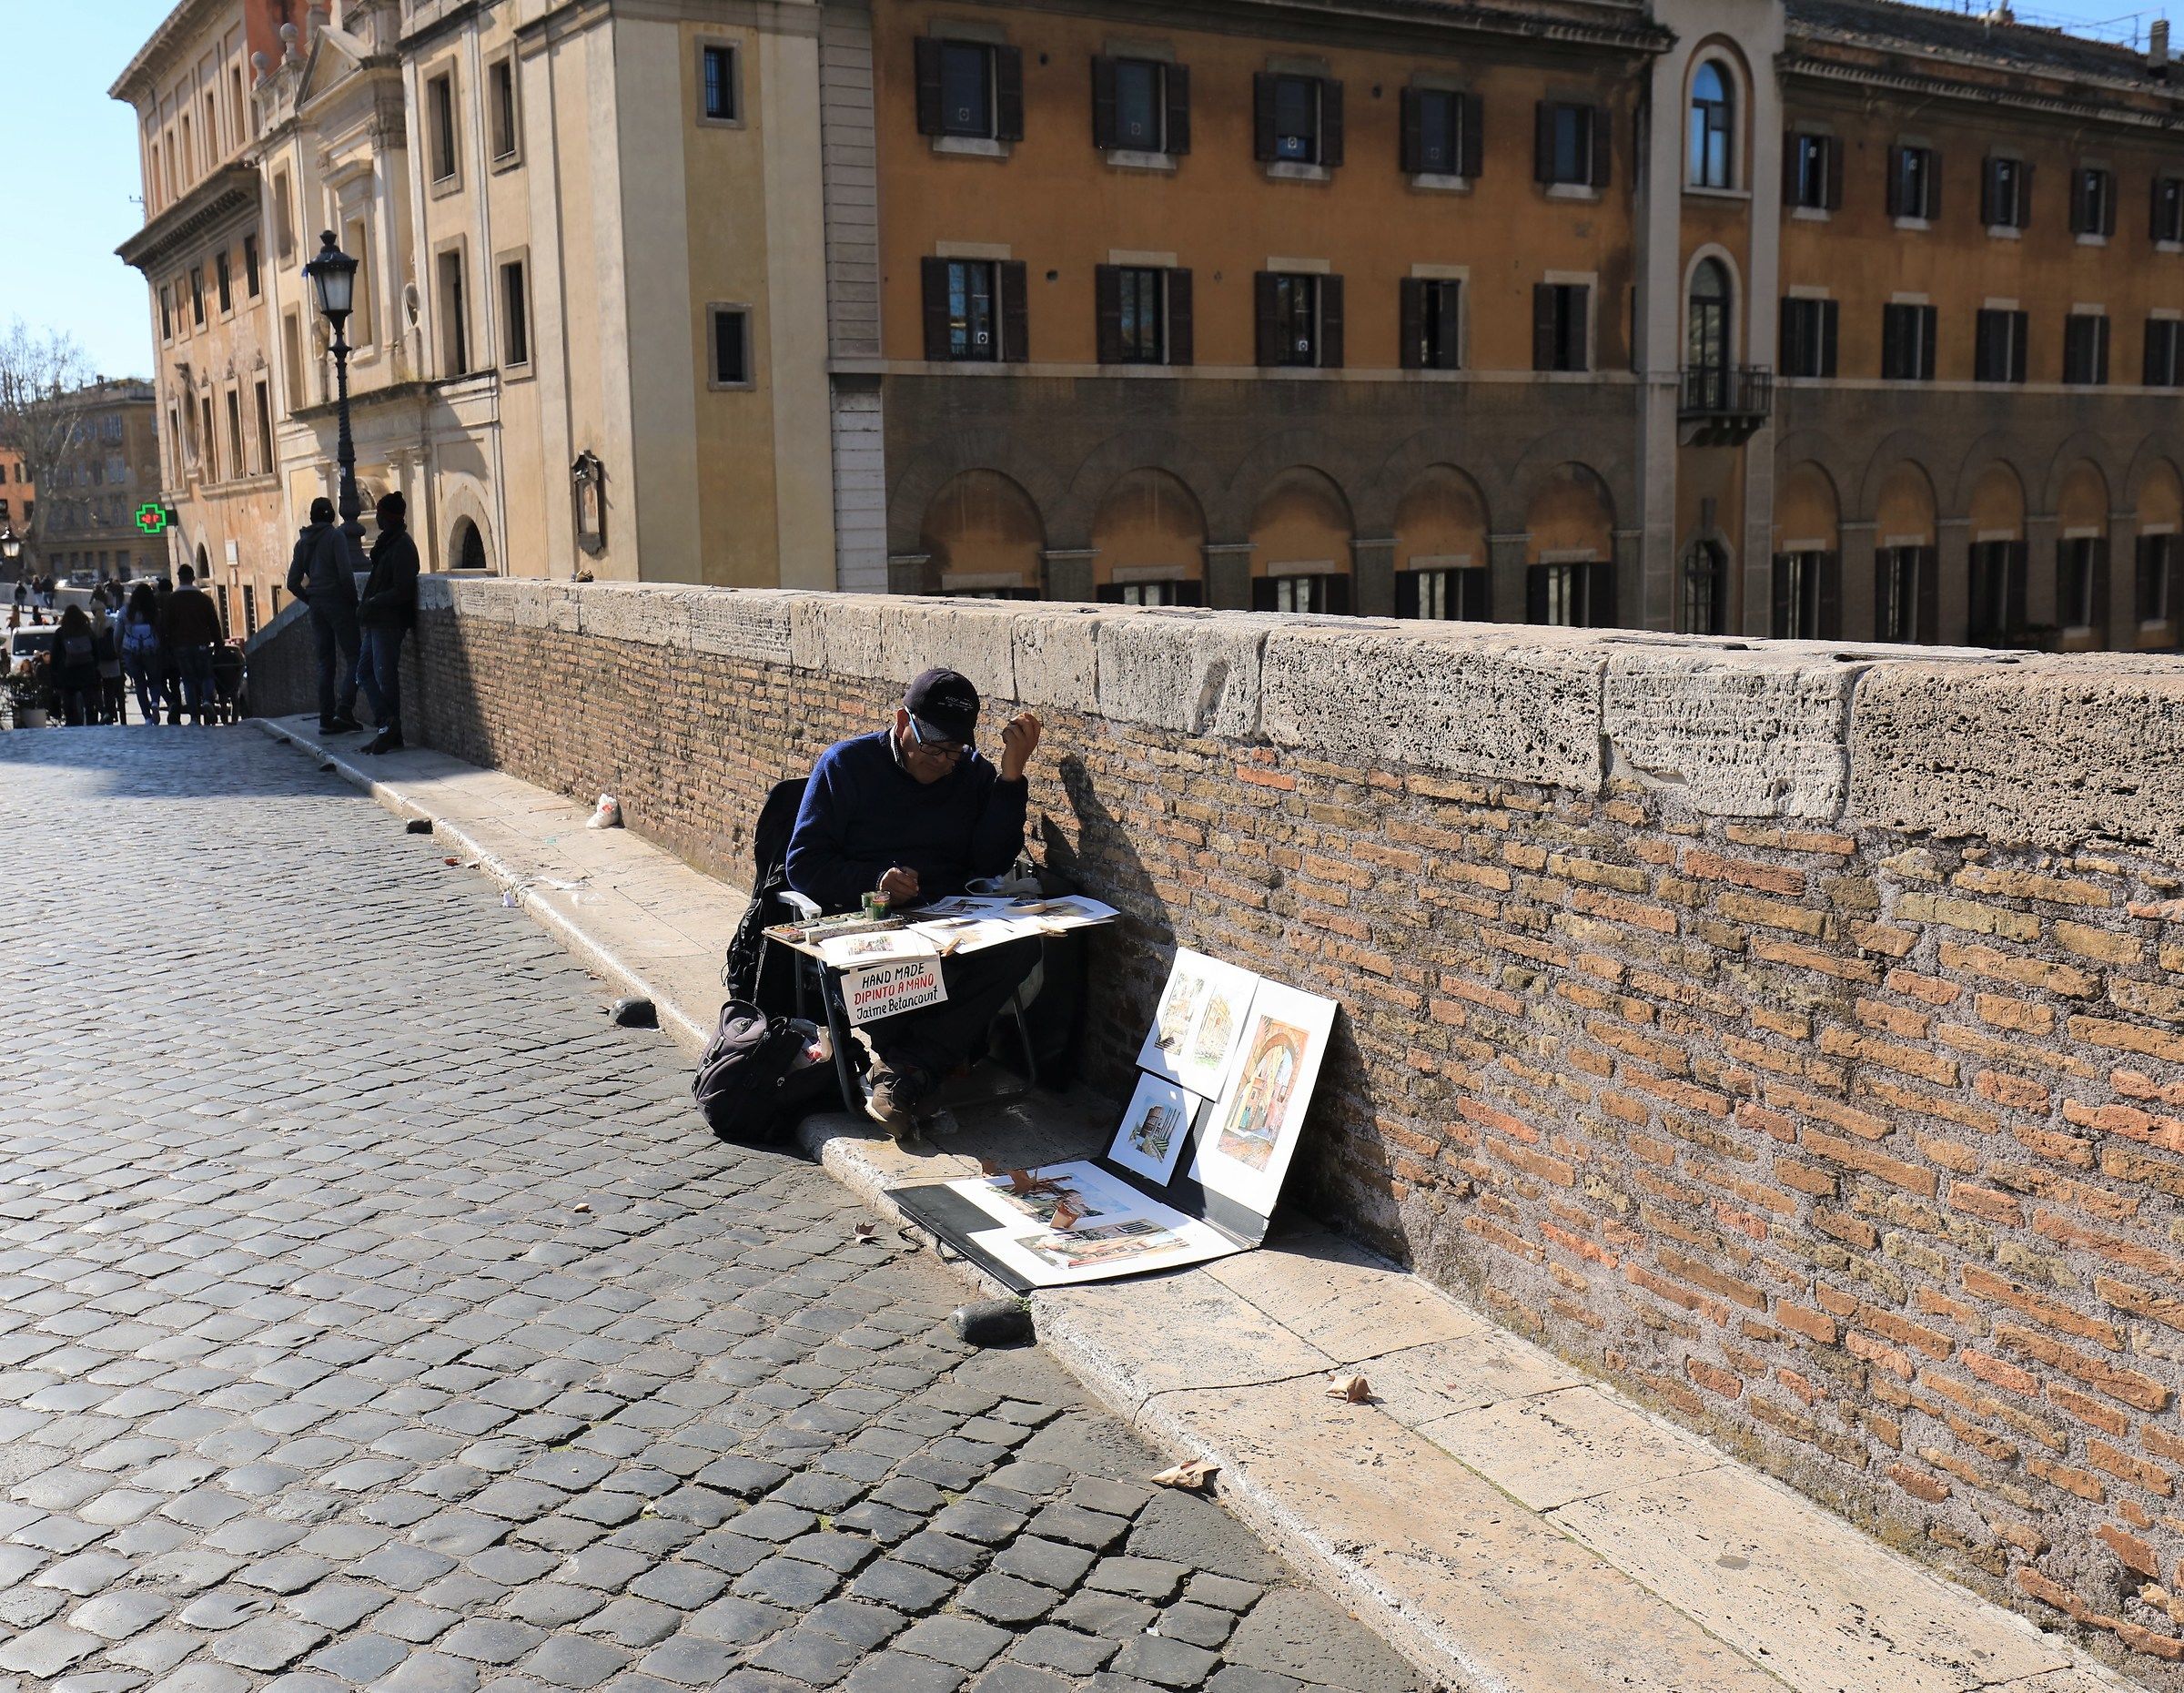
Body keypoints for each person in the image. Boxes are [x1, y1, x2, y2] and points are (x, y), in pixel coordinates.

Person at [786, 667, 1044, 1132]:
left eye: (955, 751)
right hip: (869, 918)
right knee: (910, 970)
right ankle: (919, 1072)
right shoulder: (845, 766)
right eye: (934, 749)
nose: (945, 761)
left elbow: (990, 861)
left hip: (948, 916)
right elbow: (804, 864)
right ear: (903, 723)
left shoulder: (968, 772)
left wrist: (1010, 776)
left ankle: (904, 1073)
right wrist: (874, 880)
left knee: (1023, 946)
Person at [287, 497, 362, 735]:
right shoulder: (335, 536)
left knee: (324, 663)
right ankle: (345, 709)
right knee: (356, 657)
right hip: (337, 602)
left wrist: (310, 598)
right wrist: (354, 602)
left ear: (312, 516)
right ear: (331, 516)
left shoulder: (302, 543)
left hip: (317, 605)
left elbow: (292, 583)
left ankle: (326, 719)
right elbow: (346, 575)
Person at [356, 490, 420, 754]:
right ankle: (388, 724)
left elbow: (403, 590)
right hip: (376, 620)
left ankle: (390, 730)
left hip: (390, 621)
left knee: (385, 677)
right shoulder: (387, 543)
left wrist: (375, 601)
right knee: (364, 673)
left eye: (380, 515)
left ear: (389, 517)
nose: (377, 519)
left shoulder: (403, 546)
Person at [157, 563, 226, 725]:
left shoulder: (172, 600)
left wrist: (165, 646)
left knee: (188, 680)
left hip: (180, 645)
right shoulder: (204, 599)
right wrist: (218, 643)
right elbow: (214, 623)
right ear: (193, 578)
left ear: (179, 579)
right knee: (206, 675)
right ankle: (208, 701)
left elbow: (165, 626)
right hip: (202, 643)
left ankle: (195, 716)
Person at [47, 605, 101, 727]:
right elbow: (97, 652)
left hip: (68, 674)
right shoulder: (87, 631)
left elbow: (55, 656)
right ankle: (92, 720)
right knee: (89, 699)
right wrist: (94, 666)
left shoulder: (61, 632)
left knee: (69, 699)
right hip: (87, 671)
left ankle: (71, 722)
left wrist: (54, 674)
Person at [119, 583, 162, 725]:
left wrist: (118, 650)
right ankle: (155, 701)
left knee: (139, 684)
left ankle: (147, 717)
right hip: (151, 649)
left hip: (131, 650)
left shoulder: (126, 611)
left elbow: (117, 634)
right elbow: (160, 630)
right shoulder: (153, 611)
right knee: (154, 680)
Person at [94, 597, 126, 724]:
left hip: (101, 662)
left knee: (102, 690)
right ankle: (117, 715)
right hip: (113, 661)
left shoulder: (93, 625)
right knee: (114, 690)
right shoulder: (112, 621)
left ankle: (106, 713)